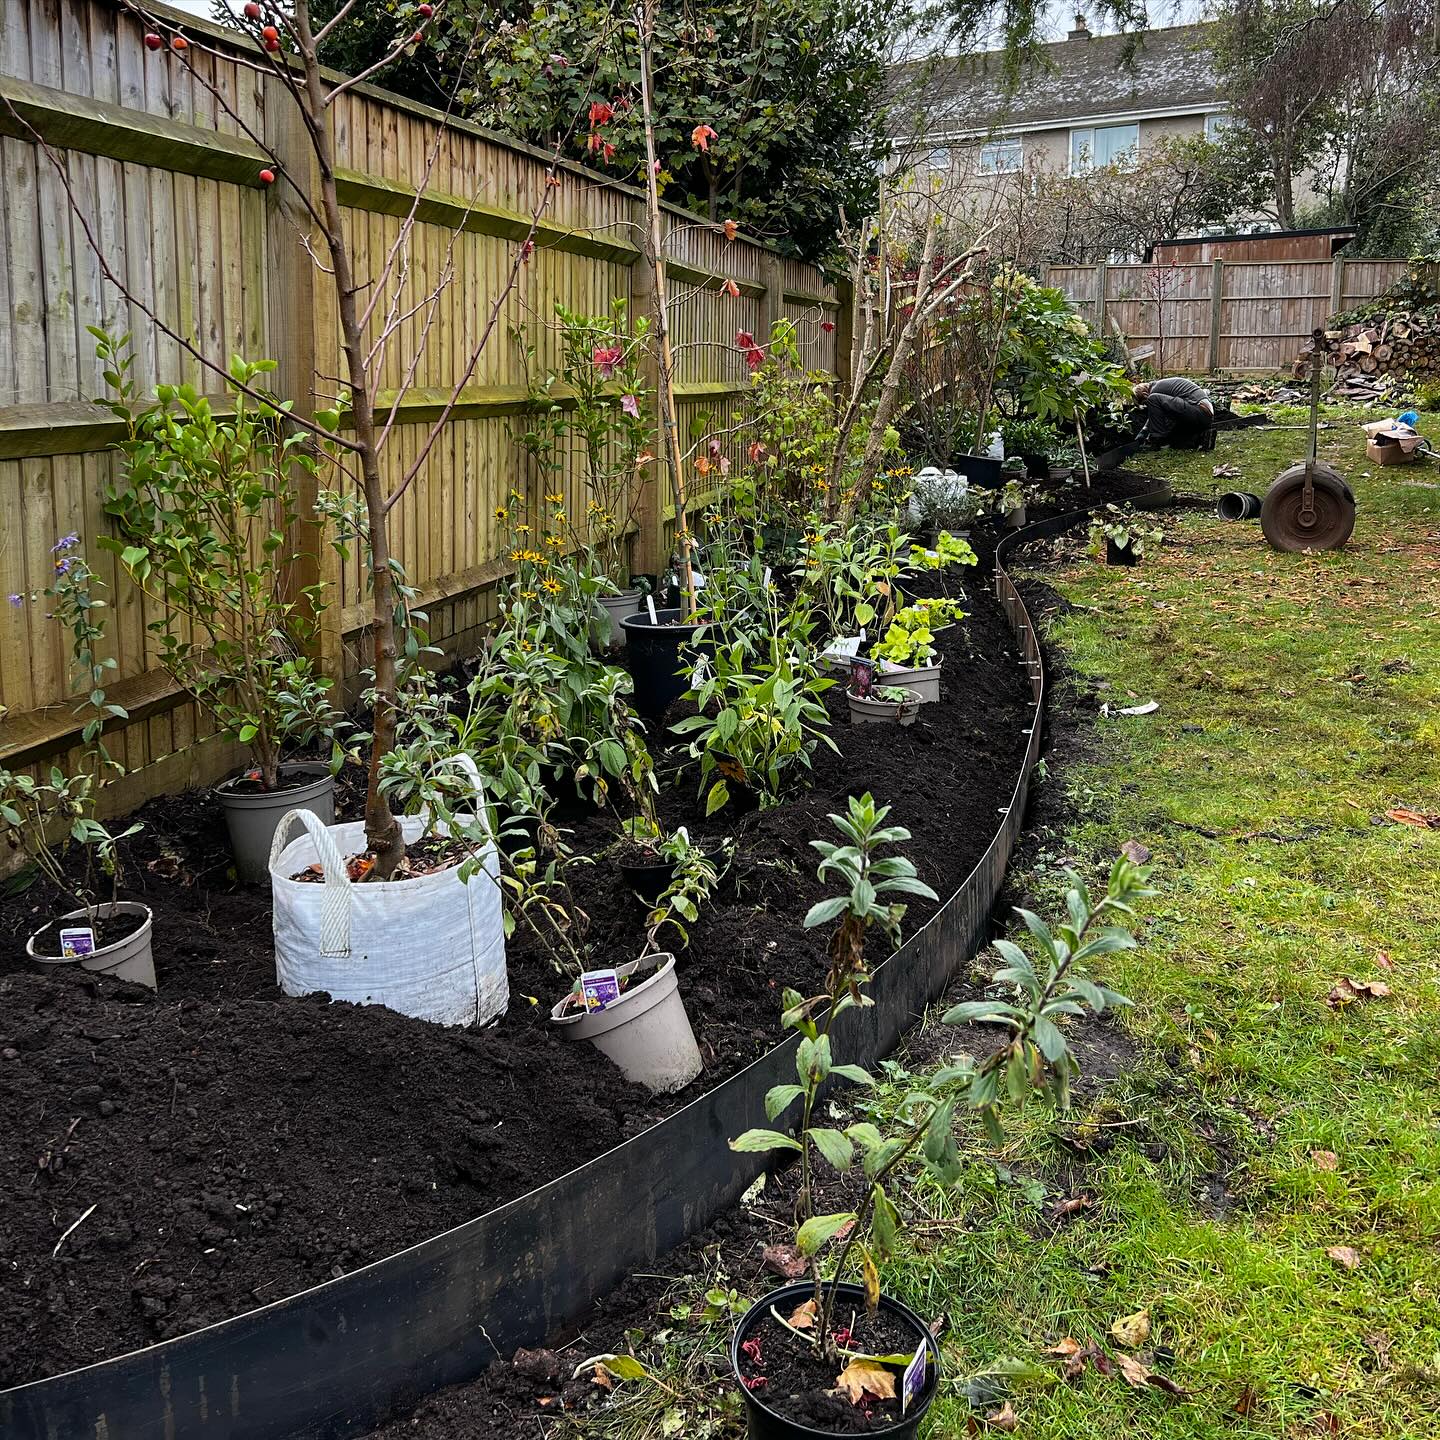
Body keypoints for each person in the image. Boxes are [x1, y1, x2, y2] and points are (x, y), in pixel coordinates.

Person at [1133, 377, 1215, 449]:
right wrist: (1143, 432)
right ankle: (1202, 437)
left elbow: (1154, 416)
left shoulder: (1155, 389)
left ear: (1145, 394)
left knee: (1153, 398)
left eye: (1144, 403)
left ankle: (1157, 441)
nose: (1146, 406)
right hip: (1202, 415)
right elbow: (1157, 416)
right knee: (1176, 443)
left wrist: (1146, 433)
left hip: (1199, 410)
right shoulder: (1159, 387)